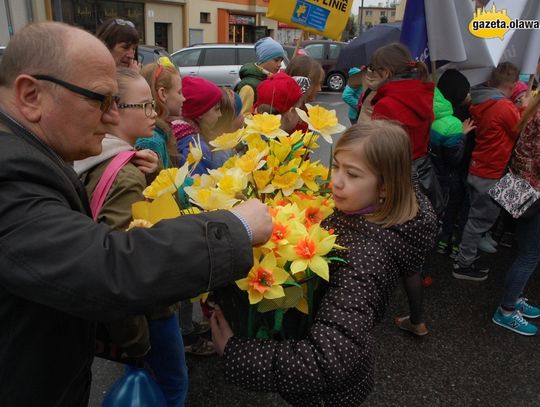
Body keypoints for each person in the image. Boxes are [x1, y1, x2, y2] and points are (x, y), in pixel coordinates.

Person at [0, 21, 272, 406]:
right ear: (31, 95)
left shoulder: (28, 154)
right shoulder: (9, 175)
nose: (112, 118)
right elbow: (106, 264)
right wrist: (237, 227)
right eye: (100, 100)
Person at [210, 120, 438, 406]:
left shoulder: (363, 261)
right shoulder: (382, 209)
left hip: (326, 396)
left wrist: (238, 353)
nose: (336, 182)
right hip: (348, 377)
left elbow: (327, 360)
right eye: (337, 166)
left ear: (386, 186)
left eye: (353, 174)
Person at [74, 68, 189, 406]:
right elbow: (118, 267)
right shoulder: (125, 176)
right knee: (171, 387)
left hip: (134, 316)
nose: (154, 114)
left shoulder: (93, 157)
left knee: (142, 388)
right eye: (146, 106)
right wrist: (136, 341)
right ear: (115, 110)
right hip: (149, 313)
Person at [368, 42, 437, 335]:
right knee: (410, 257)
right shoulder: (422, 95)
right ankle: (417, 319)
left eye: (373, 71)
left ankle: (366, 316)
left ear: (385, 71)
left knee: (376, 247)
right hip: (421, 177)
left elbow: (377, 153)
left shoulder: (386, 104)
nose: (371, 76)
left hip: (394, 181)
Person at [453, 62, 527, 281]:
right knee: (479, 221)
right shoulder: (503, 106)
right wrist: (525, 106)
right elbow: (519, 129)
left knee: (475, 216)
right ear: (513, 85)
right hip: (491, 172)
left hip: (479, 167)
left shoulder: (482, 99)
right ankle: (463, 264)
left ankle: (467, 254)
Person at [492, 93, 540, 336]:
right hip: (533, 192)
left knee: (526, 251)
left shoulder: (535, 105)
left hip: (522, 188)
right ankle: (507, 310)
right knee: (530, 255)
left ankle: (515, 296)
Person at [430, 70, 476, 257]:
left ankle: (442, 240)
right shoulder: (456, 122)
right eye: (466, 92)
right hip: (451, 174)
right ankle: (455, 244)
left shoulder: (433, 108)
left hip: (431, 172)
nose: (469, 95)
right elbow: (454, 157)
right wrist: (463, 136)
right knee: (456, 207)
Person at [135, 57, 185, 169]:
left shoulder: (159, 133)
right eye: (179, 92)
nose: (184, 98)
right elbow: (160, 184)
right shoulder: (151, 142)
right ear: (163, 94)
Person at [235, 37, 286, 115]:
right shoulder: (248, 87)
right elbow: (243, 117)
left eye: (281, 60)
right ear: (264, 58)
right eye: (276, 60)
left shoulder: (269, 79)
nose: (279, 65)